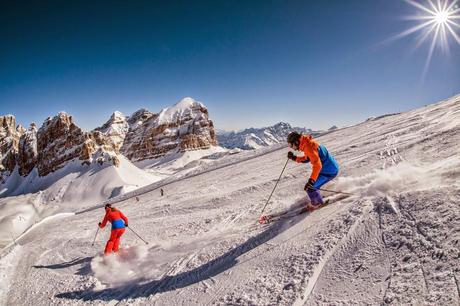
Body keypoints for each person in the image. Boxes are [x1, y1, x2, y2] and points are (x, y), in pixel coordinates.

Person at [287, 131, 339, 210]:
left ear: (296, 142)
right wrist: (294, 158)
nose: (291, 147)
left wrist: (311, 181)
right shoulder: (307, 144)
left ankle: (317, 204)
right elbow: (307, 158)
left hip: (329, 171)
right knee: (312, 187)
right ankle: (316, 197)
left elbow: (317, 165)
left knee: (310, 188)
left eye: (291, 145)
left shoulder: (309, 147)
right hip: (327, 168)